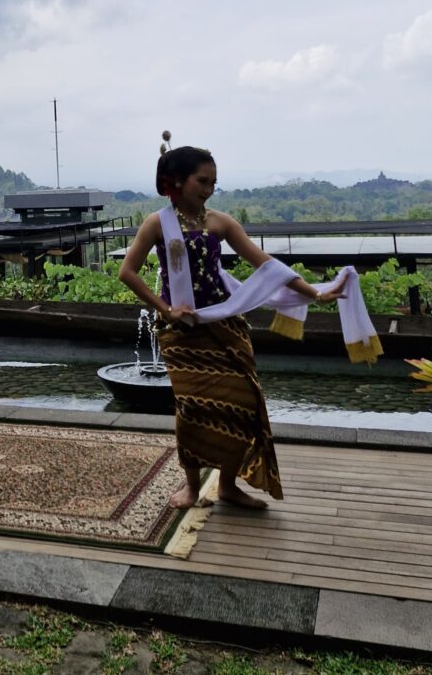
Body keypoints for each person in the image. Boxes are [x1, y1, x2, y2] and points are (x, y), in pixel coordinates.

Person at [118, 146, 348, 510]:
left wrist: (316, 294)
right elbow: (126, 272)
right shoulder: (156, 223)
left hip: (226, 325)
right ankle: (192, 487)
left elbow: (267, 265)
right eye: (201, 181)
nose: (208, 189)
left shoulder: (220, 223)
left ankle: (227, 485)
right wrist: (165, 308)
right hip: (182, 332)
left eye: (213, 183)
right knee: (192, 408)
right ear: (176, 181)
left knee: (243, 403)